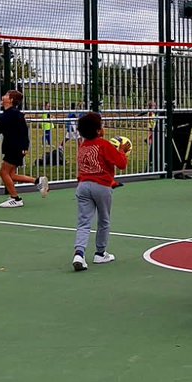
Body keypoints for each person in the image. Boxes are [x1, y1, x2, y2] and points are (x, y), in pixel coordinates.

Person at [71, 111, 129, 271]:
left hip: (83, 186)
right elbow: (121, 164)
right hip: (101, 186)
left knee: (83, 222)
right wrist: (122, 151)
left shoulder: (83, 147)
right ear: (98, 130)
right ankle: (100, 253)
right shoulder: (104, 145)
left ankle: (79, 253)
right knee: (104, 220)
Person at [0, 90, 50, 208]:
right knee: (11, 174)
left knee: (3, 172)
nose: (3, 96)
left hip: (14, 148)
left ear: (11, 100)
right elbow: (24, 131)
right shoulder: (14, 114)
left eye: (6, 95)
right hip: (17, 147)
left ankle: (15, 198)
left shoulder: (10, 115)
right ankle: (38, 181)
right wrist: (25, 146)